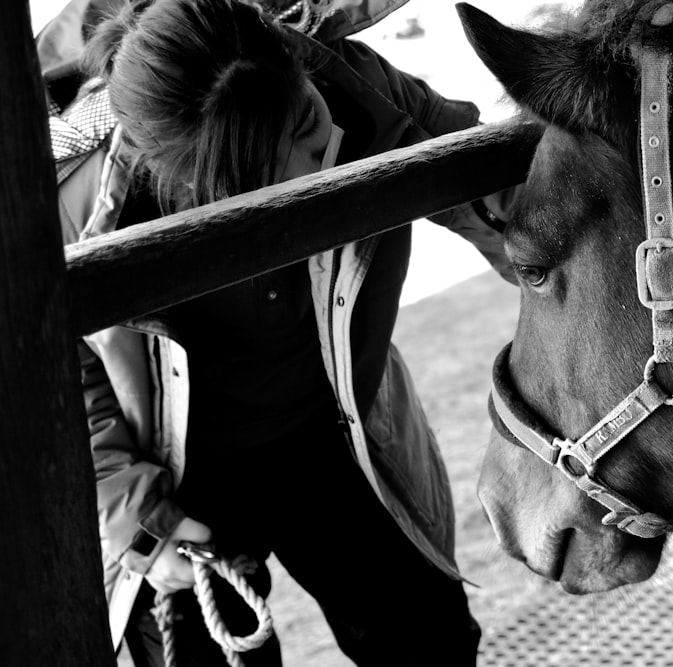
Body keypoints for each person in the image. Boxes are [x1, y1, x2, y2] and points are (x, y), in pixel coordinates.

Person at [43, 0, 518, 664]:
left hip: (326, 435)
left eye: (303, 119)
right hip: (184, 476)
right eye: (266, 170)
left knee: (428, 635)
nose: (313, 158)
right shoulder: (84, 208)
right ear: (192, 179)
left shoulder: (355, 94)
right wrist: (134, 511)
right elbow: (54, 378)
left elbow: (495, 181)